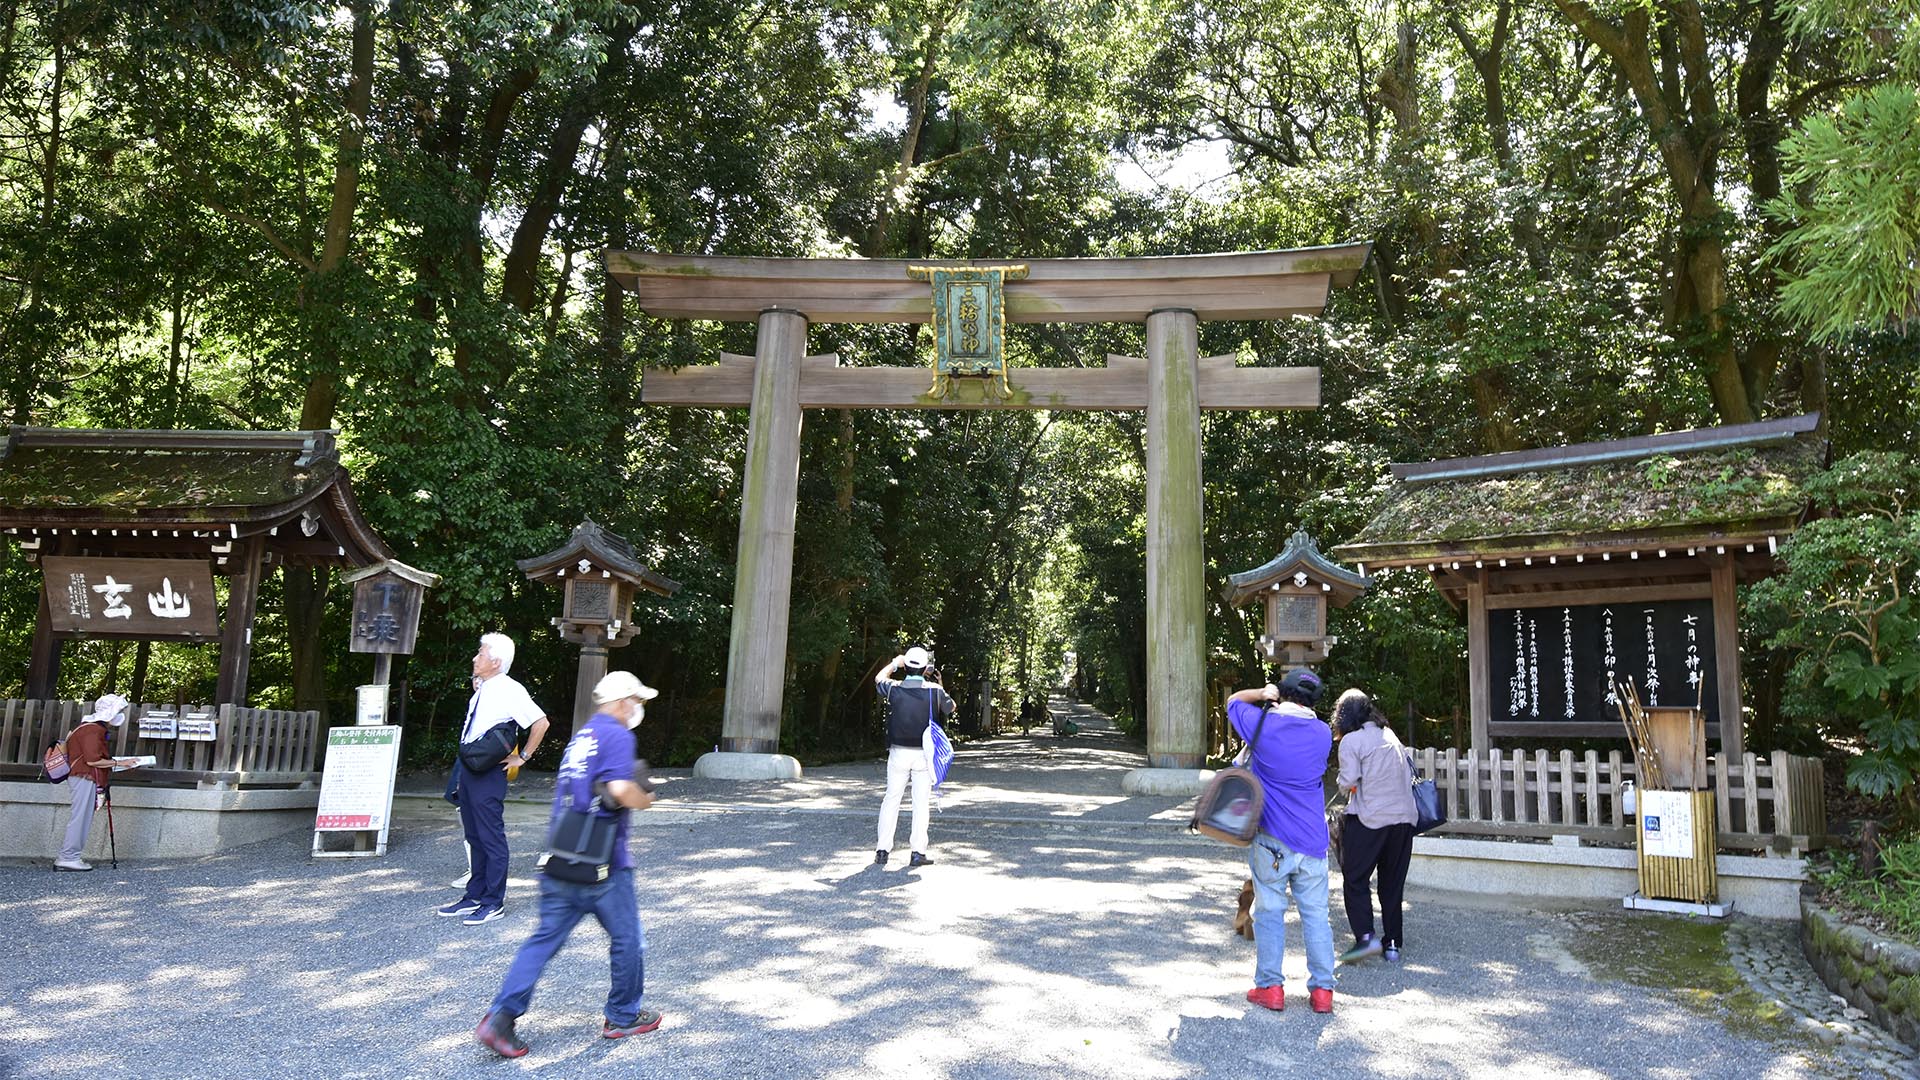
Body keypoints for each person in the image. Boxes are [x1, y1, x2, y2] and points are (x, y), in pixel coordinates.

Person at [476, 671, 661, 1058]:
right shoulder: (616, 735)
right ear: (623, 700)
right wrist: (647, 798)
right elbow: (620, 790)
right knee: (628, 939)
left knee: (543, 941)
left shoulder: (583, 736)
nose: (638, 708)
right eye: (637, 701)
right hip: (604, 861)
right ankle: (624, 1015)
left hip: (562, 855)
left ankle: (500, 1018)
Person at [1226, 668, 1336, 1014]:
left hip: (1271, 837)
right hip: (1313, 839)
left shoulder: (1264, 726)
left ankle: (1270, 988)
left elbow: (1232, 701)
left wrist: (1261, 692)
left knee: (1271, 912)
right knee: (1317, 915)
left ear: (1281, 693)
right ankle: (1322, 993)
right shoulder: (1322, 734)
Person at [441, 633, 550, 925]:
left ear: (496, 661)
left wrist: (522, 757)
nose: (475, 658)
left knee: (490, 837)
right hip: (470, 767)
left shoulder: (510, 689)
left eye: (480, 653)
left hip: (489, 771)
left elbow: (541, 722)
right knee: (473, 834)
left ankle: (493, 902)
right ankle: (474, 895)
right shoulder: (485, 687)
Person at [1332, 689, 1418, 964]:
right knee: (1392, 884)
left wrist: (1348, 785)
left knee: (1356, 878)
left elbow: (1348, 781)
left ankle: (1366, 938)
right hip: (1404, 820)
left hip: (1370, 820)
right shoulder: (1390, 735)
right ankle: (1392, 944)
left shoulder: (1351, 741)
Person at [873, 646, 955, 868]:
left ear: (906, 665)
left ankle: (882, 850)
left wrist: (894, 662)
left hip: (898, 752)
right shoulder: (934, 691)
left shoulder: (894, 688)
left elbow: (878, 678)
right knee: (920, 803)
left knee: (891, 799)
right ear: (926, 668)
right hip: (924, 755)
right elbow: (950, 708)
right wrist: (939, 684)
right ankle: (917, 852)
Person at [55, 694, 141, 871]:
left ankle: (69, 856)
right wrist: (119, 763)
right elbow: (93, 760)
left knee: (81, 817)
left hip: (82, 776)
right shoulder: (93, 730)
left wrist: (119, 763)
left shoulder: (87, 727)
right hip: (84, 776)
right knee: (81, 818)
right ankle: (68, 857)